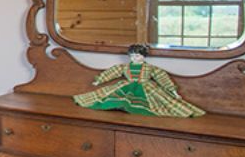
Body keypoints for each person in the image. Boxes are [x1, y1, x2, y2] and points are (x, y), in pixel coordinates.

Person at [73, 44, 204, 118]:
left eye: (138, 55)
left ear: (144, 56)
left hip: (146, 87)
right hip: (127, 86)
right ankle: (120, 106)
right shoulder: (125, 67)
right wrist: (99, 81)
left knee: (158, 103)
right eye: (132, 56)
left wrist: (173, 91)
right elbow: (112, 73)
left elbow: (163, 78)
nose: (135, 58)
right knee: (109, 96)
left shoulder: (150, 68)